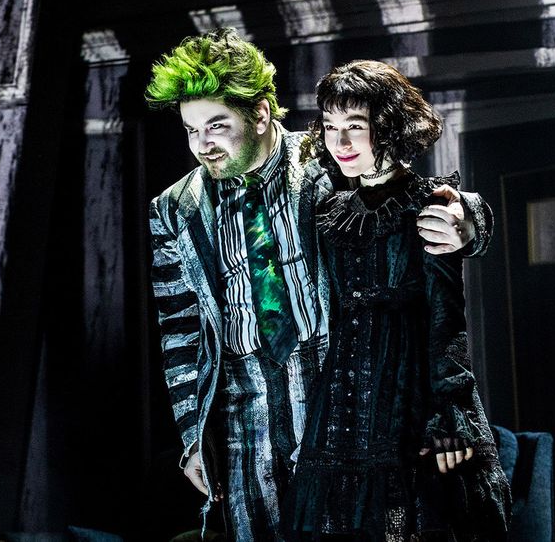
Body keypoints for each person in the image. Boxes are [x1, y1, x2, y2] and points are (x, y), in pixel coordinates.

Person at [145, 29, 492, 541]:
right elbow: (180, 329)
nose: (203, 145)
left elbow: (410, 197)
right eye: (191, 130)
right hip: (244, 407)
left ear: (261, 113)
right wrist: (193, 435)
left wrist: (470, 219)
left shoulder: (324, 158)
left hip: (339, 384)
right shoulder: (174, 209)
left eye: (216, 126)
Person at [282, 60, 511, 541]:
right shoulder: (330, 208)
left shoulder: (427, 204)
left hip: (407, 398)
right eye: (330, 128)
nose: (340, 143)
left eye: (356, 128)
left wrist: (447, 415)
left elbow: (447, 321)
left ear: (387, 127)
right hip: (338, 402)